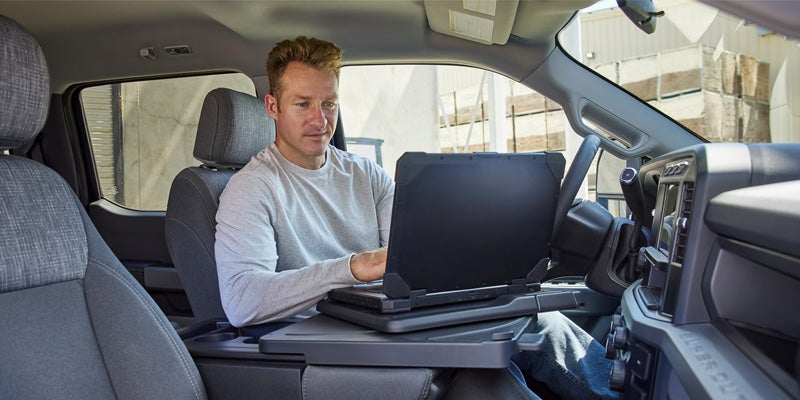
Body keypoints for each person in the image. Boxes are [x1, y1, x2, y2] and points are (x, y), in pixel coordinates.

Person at [214, 36, 619, 400]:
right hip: (322, 337)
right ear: (273, 106)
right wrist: (353, 267)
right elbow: (243, 301)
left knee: (540, 322)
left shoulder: (362, 172)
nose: (320, 120)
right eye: (303, 104)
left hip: (385, 316)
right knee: (486, 379)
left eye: (329, 103)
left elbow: (416, 250)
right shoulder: (252, 188)